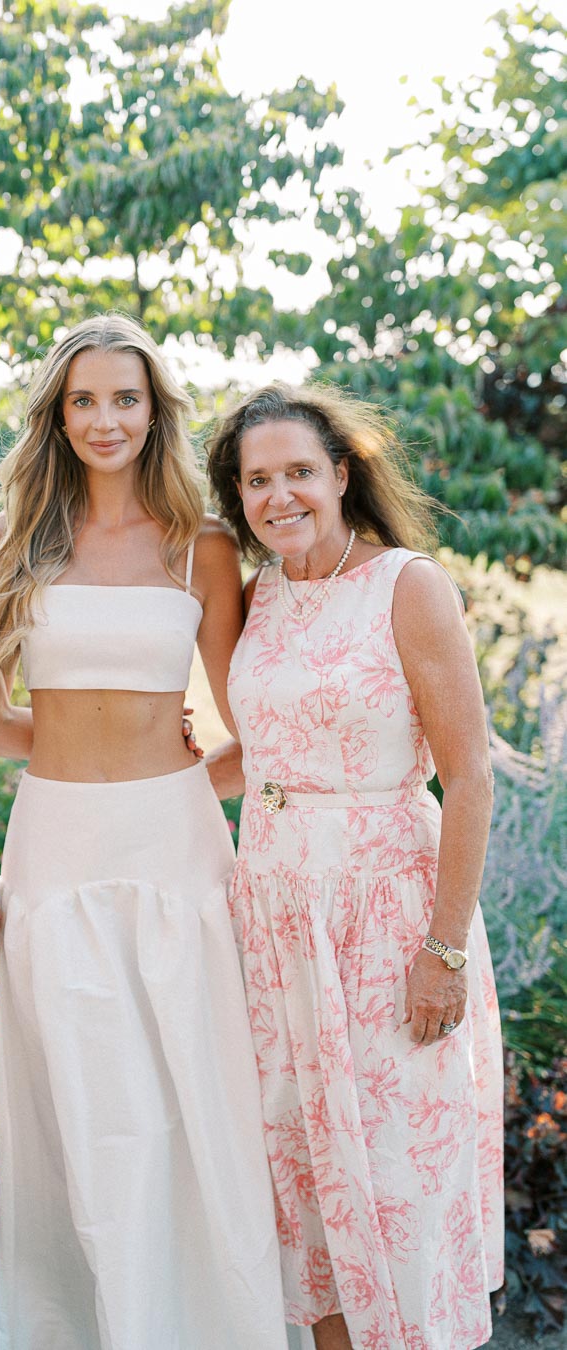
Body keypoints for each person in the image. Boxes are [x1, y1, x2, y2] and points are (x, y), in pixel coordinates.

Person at [0, 314, 292, 1350]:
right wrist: (65, 737)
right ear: (56, 418)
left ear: (155, 411)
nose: (105, 419)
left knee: (197, 1103)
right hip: (57, 842)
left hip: (176, 843)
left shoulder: (202, 544)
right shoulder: (12, 541)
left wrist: (185, 768)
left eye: (125, 398)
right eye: (83, 401)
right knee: (82, 1112)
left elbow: (259, 716)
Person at [205, 382, 504, 1350]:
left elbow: (468, 778)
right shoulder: (263, 595)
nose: (279, 494)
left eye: (298, 471)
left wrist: (444, 951)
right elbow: (267, 750)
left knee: (400, 1190)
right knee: (311, 1190)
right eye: (257, 480)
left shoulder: (407, 586)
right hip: (279, 925)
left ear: (341, 475)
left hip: (386, 925)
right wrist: (142, 786)